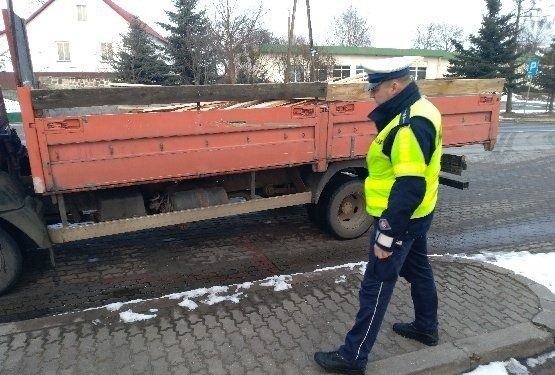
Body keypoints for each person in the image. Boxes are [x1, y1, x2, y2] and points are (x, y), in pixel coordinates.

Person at [314, 56, 442, 375]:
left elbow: (409, 186)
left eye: (375, 88)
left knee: (377, 284)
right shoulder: (423, 107)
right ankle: (426, 327)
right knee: (420, 270)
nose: (371, 94)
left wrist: (386, 234)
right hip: (419, 214)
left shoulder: (409, 125)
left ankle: (353, 356)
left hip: (400, 219)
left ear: (394, 86)